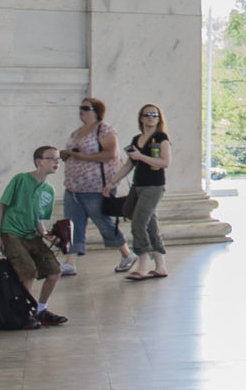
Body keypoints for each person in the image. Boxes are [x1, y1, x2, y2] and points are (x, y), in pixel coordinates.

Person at [0, 147, 68, 327]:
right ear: (38, 161)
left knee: (54, 271)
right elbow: (1, 206)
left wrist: (47, 236)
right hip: (11, 232)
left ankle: (40, 309)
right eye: (51, 158)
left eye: (58, 159)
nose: (56, 162)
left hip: (31, 234)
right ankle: (22, 312)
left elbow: (38, 218)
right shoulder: (20, 180)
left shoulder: (49, 189)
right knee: (27, 270)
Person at [58, 96, 129, 276]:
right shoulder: (77, 132)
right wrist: (67, 154)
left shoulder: (105, 130)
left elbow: (110, 154)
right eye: (81, 107)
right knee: (72, 223)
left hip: (97, 186)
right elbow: (75, 152)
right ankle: (70, 261)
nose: (81, 110)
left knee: (101, 219)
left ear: (96, 112)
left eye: (85, 108)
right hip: (74, 186)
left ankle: (126, 253)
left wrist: (83, 157)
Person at [123, 105, 171, 280]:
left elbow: (165, 162)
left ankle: (142, 263)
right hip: (139, 185)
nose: (151, 117)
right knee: (150, 225)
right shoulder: (136, 139)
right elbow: (129, 165)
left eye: (155, 115)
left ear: (159, 119)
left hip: (154, 185)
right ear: (141, 118)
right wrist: (112, 181)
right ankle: (160, 265)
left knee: (138, 223)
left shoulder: (161, 138)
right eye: (147, 114)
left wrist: (141, 157)